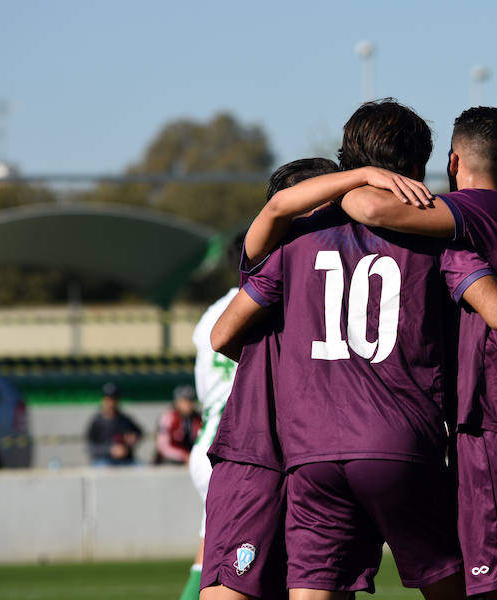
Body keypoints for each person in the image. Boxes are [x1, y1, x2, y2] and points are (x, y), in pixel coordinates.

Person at [213, 99, 497, 600]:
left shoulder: (297, 239)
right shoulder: (437, 241)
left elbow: (223, 336)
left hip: (311, 454)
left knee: (314, 590)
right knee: (471, 587)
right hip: (400, 444)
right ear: (421, 169)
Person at [336, 106, 497, 599]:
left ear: (454, 162)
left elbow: (368, 208)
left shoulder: (477, 210)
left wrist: (357, 177)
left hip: (495, 421)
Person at [201, 157, 342, 600]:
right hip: (260, 457)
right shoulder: (277, 256)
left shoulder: (334, 266)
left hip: (315, 460)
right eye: (328, 197)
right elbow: (221, 335)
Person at [177, 233, 245, 600]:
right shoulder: (265, 300)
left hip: (208, 441)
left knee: (208, 556)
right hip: (236, 448)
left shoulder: (211, 315)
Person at [85, 382, 143, 467]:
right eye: (109, 399)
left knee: (142, 467)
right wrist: (110, 450)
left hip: (126, 461)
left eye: (114, 399)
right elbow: (90, 447)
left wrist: (134, 438)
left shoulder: (125, 419)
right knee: (102, 467)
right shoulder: (97, 421)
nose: (111, 403)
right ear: (103, 400)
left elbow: (139, 433)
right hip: (105, 460)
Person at [154, 384, 202, 465]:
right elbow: (163, 447)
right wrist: (183, 456)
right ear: (177, 402)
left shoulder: (198, 418)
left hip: (193, 460)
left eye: (191, 401)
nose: (188, 404)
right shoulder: (169, 417)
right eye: (185, 401)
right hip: (169, 462)